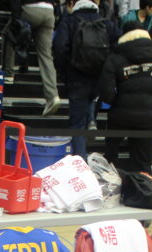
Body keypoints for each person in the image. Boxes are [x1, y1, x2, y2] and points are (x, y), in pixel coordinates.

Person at [99, 25, 152, 173]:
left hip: (120, 114)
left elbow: (105, 88)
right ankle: (143, 192)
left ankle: (109, 190)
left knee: (110, 157)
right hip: (147, 115)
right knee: (143, 159)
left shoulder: (116, 56)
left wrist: (115, 102)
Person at [53, 0, 119, 156]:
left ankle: (80, 159)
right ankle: (92, 122)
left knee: (77, 124)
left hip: (76, 78)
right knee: (91, 108)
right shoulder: (107, 24)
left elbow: (60, 47)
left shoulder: (69, 22)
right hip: (98, 79)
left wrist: (63, 72)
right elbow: (118, 47)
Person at [4, 0, 61, 115]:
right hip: (49, 11)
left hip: (30, 8)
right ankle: (52, 96)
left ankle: (8, 73)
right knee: (46, 56)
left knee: (8, 35)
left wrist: (15, 16)